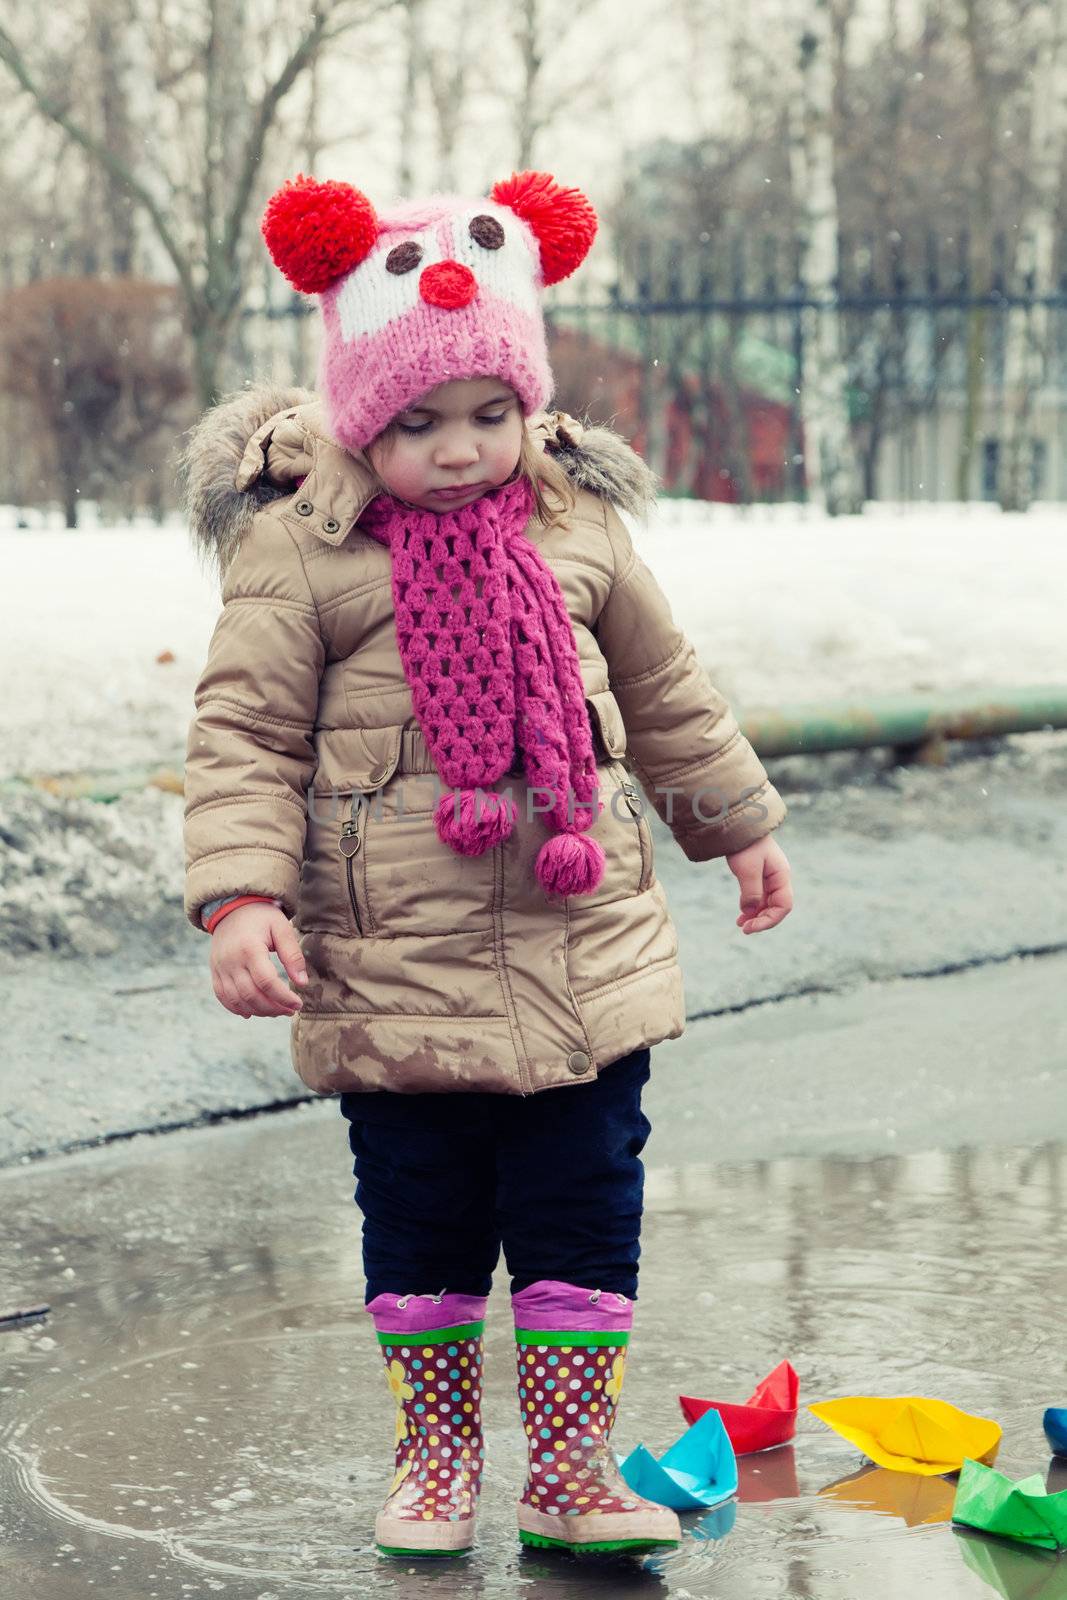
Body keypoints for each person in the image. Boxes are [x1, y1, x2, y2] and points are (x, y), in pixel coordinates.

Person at [179, 169, 794, 1560]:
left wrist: (737, 823)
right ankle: (437, 1458)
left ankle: (570, 1468)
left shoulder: (577, 525)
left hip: (586, 953)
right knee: (424, 1220)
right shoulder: (303, 552)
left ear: (530, 404)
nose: (459, 450)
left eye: (488, 415)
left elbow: (668, 687)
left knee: (585, 1205)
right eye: (417, 422)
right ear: (356, 414)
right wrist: (240, 896)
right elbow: (242, 737)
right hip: (394, 964)